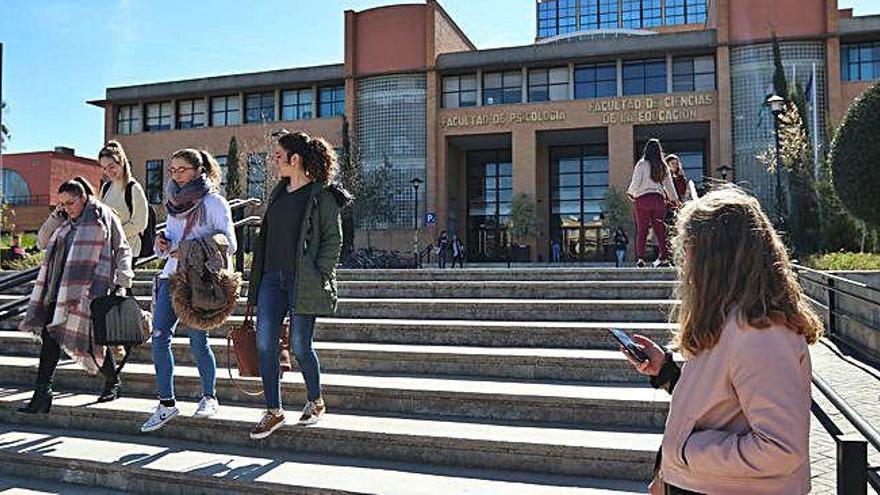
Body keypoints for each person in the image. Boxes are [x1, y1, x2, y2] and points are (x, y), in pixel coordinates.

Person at [621, 185, 822, 494]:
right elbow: (721, 402)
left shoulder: (760, 334)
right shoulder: (731, 320)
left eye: (690, 245)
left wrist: (686, 453)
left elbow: (781, 449)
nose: (684, 258)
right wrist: (667, 372)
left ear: (719, 257)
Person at [248, 130, 351, 440]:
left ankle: (315, 400)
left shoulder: (322, 196)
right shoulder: (278, 193)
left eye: (278, 156)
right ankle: (273, 410)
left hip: (304, 279)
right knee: (265, 343)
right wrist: (255, 285)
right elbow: (266, 239)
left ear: (296, 159)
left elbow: (333, 240)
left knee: (299, 346)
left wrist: (320, 273)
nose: (274, 161)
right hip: (271, 278)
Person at [141, 149, 236, 433]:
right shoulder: (173, 204)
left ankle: (209, 396)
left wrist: (191, 249)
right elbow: (172, 238)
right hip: (171, 276)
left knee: (198, 341)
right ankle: (166, 403)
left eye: (181, 169)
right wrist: (162, 242)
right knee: (159, 338)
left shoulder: (214, 202)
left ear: (198, 170)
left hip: (198, 281)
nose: (176, 175)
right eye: (172, 170)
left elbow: (229, 243)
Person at [18, 177, 133, 412]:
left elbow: (122, 249)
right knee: (50, 339)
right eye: (61, 204)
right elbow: (41, 242)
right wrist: (55, 217)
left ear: (83, 198)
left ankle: (112, 380)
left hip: (91, 289)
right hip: (58, 289)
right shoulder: (62, 221)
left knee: (93, 341)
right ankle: (42, 393)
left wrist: (123, 281)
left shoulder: (103, 216)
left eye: (70, 203)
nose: (66, 208)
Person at [627, 139, 679, 267]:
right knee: (660, 230)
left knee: (642, 229)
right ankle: (664, 258)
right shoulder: (663, 165)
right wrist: (675, 199)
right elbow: (669, 185)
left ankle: (640, 258)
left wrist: (631, 193)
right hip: (658, 199)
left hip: (642, 199)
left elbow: (636, 182)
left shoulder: (642, 164)